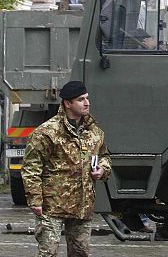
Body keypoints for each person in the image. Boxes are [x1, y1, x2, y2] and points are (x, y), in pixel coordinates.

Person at [22, 80, 111, 257]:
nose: (87, 103)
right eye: (80, 99)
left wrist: (102, 169)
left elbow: (104, 156)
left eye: (87, 98)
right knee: (49, 253)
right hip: (52, 206)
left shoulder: (94, 132)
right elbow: (31, 167)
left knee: (80, 253)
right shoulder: (47, 132)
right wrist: (35, 200)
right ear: (67, 103)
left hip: (82, 206)